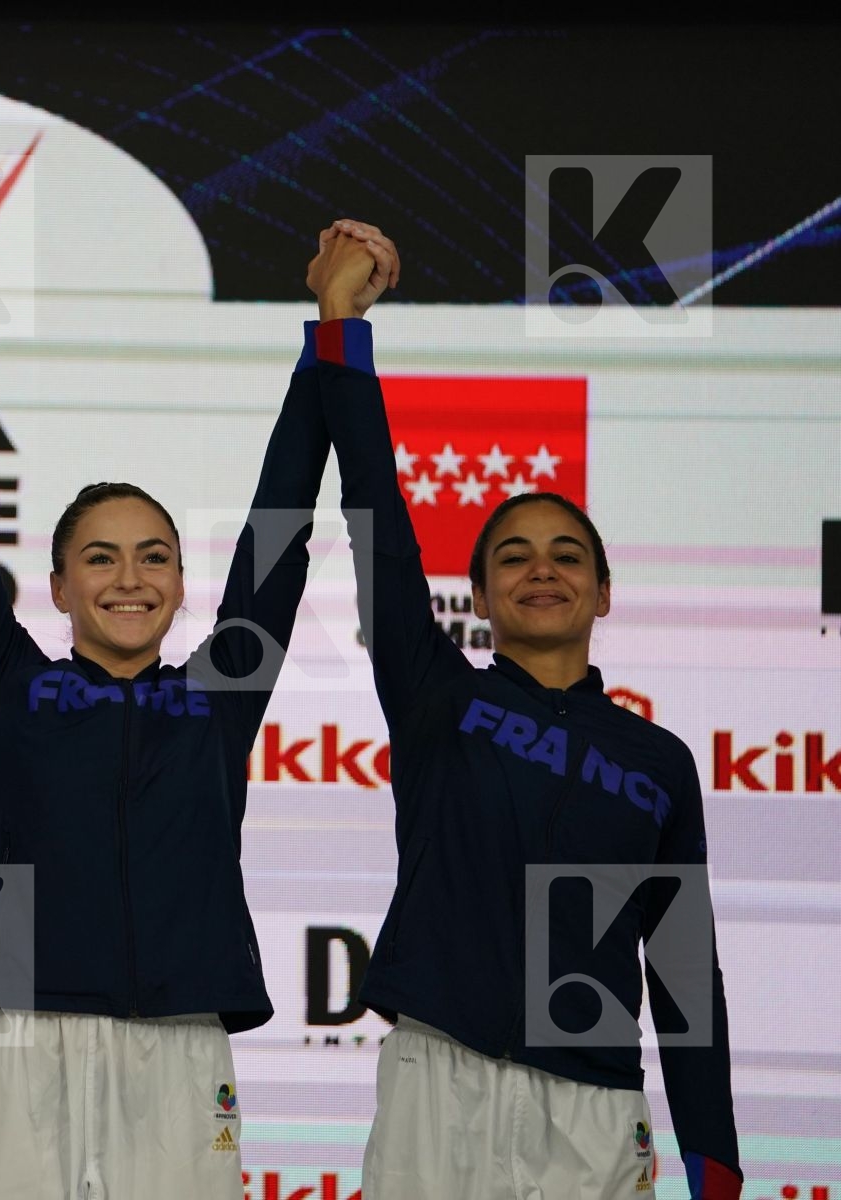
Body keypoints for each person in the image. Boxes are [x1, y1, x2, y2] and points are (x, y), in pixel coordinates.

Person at [0, 224, 394, 1199]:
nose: (130, 577)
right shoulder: (10, 686)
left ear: (185, 581)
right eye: (100, 556)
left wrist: (334, 328)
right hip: (23, 1033)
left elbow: (281, 525)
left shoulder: (216, 695)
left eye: (154, 555)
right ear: (55, 586)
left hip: (183, 1044)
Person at [313, 219, 744, 1200]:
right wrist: (341, 329)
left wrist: (715, 1165)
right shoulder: (436, 696)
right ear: (483, 595)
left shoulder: (659, 761)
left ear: (602, 593)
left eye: (566, 556)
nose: (540, 567)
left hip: (594, 1104)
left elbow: (685, 973)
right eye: (512, 554)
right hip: (439, 1083)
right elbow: (375, 516)